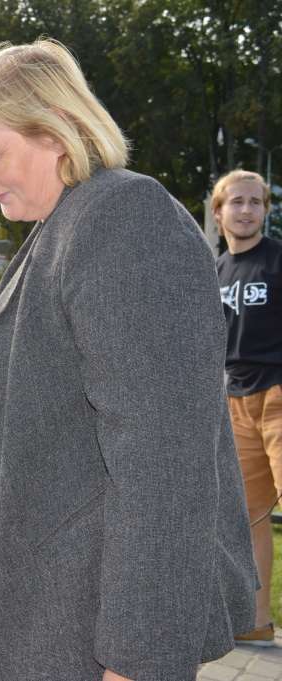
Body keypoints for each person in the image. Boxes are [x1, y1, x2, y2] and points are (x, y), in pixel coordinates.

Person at [0, 39, 257, 680]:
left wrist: (138, 660)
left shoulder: (124, 217)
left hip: (87, 629)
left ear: (56, 132)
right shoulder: (60, 226)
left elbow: (163, 462)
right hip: (42, 609)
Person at [214, 169, 280, 645]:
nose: (247, 210)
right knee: (252, 515)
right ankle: (257, 621)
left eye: (255, 202)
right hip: (234, 400)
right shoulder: (214, 271)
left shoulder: (278, 262)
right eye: (237, 202)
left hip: (279, 392)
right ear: (218, 212)